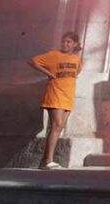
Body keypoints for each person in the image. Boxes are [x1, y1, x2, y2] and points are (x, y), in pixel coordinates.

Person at [28, 32, 83, 169]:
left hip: (68, 96)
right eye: (64, 41)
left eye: (69, 42)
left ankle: (44, 161)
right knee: (57, 125)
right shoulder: (54, 55)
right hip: (55, 94)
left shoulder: (77, 59)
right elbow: (32, 61)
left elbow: (76, 73)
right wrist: (48, 73)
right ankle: (48, 160)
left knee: (59, 127)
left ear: (75, 44)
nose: (65, 44)